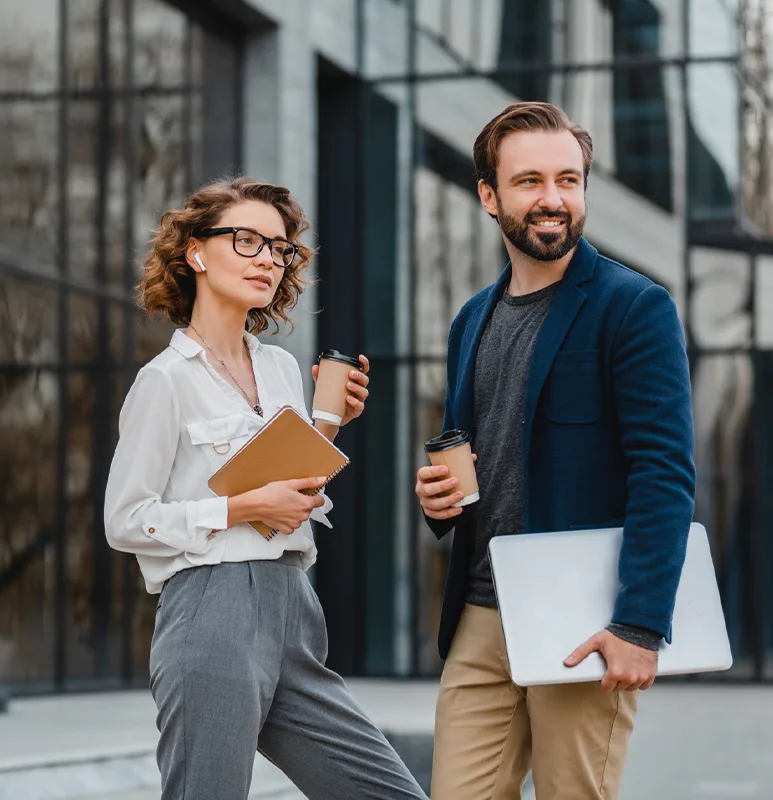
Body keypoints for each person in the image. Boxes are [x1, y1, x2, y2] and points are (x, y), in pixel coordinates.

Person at [105, 177, 425, 800]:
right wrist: (242, 507)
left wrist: (329, 423)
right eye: (247, 241)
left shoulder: (278, 367)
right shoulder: (165, 380)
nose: (267, 261)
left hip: (294, 611)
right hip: (210, 609)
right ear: (196, 252)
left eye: (279, 250)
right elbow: (126, 519)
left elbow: (296, 493)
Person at [414, 102, 696, 800]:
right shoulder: (470, 319)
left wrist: (639, 623)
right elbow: (476, 454)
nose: (553, 199)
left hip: (584, 615)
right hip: (480, 612)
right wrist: (439, 500)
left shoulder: (633, 308)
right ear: (489, 195)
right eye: (531, 180)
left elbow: (665, 474)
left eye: (569, 180)